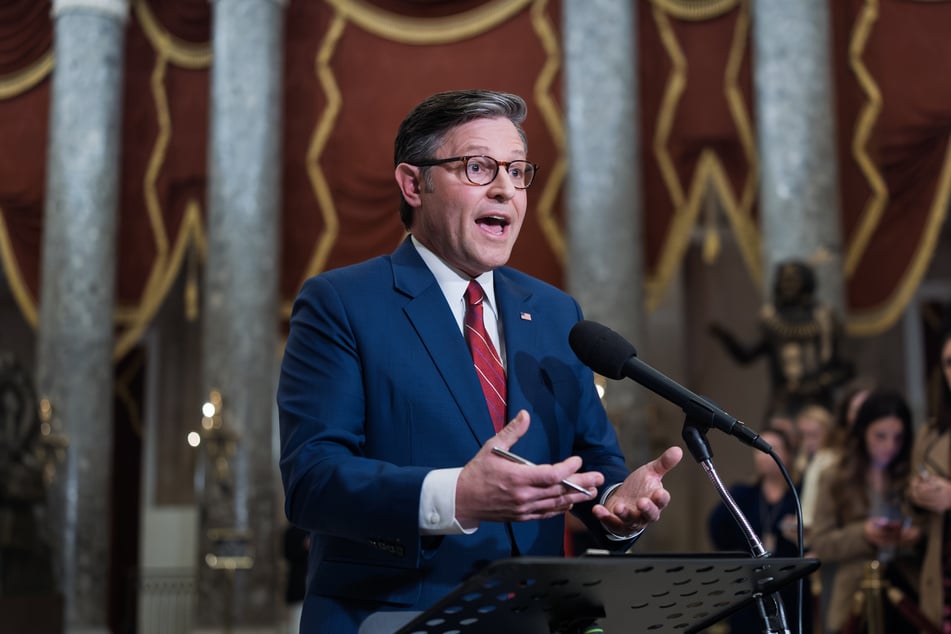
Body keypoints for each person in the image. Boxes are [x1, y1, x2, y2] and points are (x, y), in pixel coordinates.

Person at [277, 89, 683, 632]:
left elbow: (593, 463)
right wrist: (458, 497)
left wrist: (616, 503)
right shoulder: (342, 304)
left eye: (517, 172)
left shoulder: (557, 314)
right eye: (477, 167)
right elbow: (313, 481)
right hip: (392, 617)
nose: (505, 189)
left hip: (537, 618)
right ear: (412, 183)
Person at [809, 389, 922, 634]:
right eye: (880, 436)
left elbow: (929, 533)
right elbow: (821, 543)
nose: (889, 446)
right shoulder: (835, 477)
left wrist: (914, 537)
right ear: (862, 433)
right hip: (855, 599)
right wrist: (864, 534)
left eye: (898, 438)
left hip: (906, 595)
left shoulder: (909, 476)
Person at [708, 259, 854, 418]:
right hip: (783, 402)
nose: (787, 285)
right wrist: (725, 337)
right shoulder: (771, 319)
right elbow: (746, 355)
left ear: (805, 282)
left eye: (792, 280)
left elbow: (846, 367)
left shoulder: (824, 318)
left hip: (819, 401)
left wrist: (821, 383)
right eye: (784, 280)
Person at [708, 426, 813, 633]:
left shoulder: (800, 494)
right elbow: (716, 527)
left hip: (791, 584)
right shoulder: (743, 493)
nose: (763, 456)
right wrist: (738, 558)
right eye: (758, 450)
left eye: (772, 448)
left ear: (789, 454)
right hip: (751, 586)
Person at [909, 328, 951, 631]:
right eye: (949, 363)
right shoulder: (932, 432)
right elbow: (917, 517)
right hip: (942, 561)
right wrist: (917, 495)